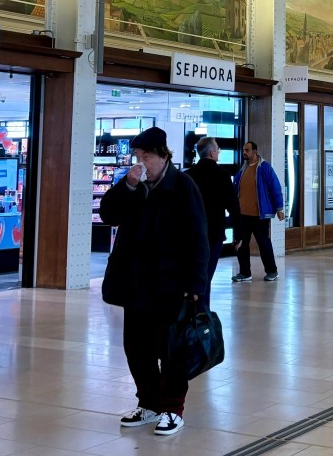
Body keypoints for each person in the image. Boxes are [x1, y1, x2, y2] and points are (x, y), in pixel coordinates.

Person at [99, 126, 209, 438]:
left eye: (145, 156)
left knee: (171, 350)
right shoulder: (136, 186)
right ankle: (148, 402)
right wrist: (127, 186)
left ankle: (173, 408)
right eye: (137, 156)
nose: (140, 161)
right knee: (136, 347)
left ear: (162, 155)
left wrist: (196, 286)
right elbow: (108, 213)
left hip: (170, 286)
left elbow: (198, 239)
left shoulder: (183, 187)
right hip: (136, 284)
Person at [184, 136, 239, 298]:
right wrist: (239, 234)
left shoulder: (188, 175)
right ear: (212, 153)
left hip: (192, 233)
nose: (219, 153)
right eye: (218, 150)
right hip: (214, 233)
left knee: (194, 276)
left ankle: (195, 313)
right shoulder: (222, 175)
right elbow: (233, 206)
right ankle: (202, 315)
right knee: (206, 276)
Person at [231, 140, 284, 283]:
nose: (244, 153)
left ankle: (272, 271)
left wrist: (279, 208)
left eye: (247, 150)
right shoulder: (242, 169)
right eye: (243, 150)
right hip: (243, 215)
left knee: (263, 244)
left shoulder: (264, 168)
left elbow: (275, 188)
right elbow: (235, 189)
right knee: (241, 244)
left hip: (259, 215)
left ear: (255, 151)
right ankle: (244, 273)